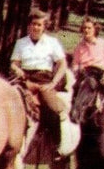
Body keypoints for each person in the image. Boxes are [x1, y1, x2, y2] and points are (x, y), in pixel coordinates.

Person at [10, 10, 69, 160]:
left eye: (39, 25)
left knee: (52, 109)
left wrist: (54, 82)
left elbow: (62, 64)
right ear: (29, 25)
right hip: (25, 79)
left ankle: (56, 145)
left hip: (44, 80)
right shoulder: (21, 43)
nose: (36, 27)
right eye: (33, 24)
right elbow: (14, 64)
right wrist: (18, 70)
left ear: (44, 26)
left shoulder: (52, 43)